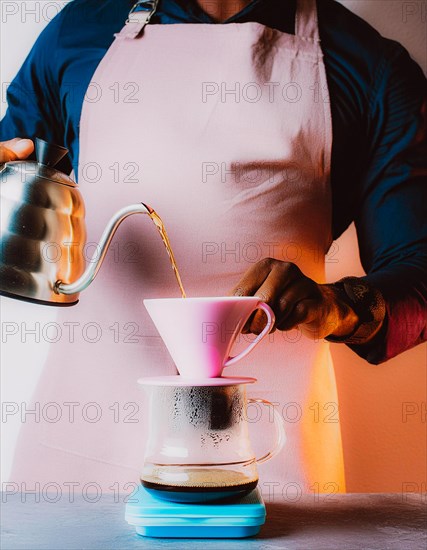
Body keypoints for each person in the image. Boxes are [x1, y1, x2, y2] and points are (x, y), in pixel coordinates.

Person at [1, 0, 426, 494]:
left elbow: (416, 265)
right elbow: (15, 193)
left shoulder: (370, 67)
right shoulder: (78, 31)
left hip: (268, 457)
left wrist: (338, 307)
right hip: (81, 447)